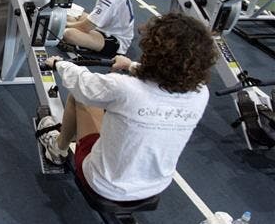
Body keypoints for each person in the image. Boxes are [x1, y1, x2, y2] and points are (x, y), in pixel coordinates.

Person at [37, 13, 217, 201]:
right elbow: (169, 74)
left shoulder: (125, 88)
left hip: (103, 183)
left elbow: (83, 84)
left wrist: (59, 64)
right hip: (156, 185)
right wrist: (131, 65)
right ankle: (71, 137)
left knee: (80, 98)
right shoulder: (201, 93)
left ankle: (58, 149)